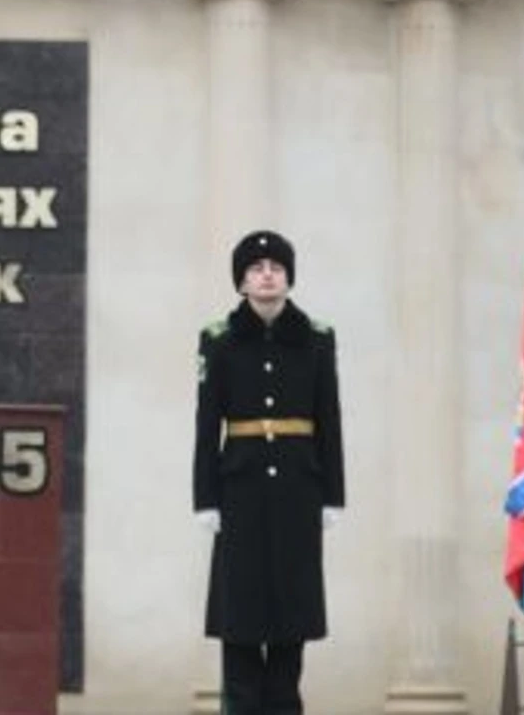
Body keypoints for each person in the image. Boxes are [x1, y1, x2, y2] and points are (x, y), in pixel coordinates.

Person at [193, 230, 344, 715]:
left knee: (288, 634)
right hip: (239, 496)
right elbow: (206, 425)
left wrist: (332, 494)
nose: (266, 276)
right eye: (256, 269)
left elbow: (329, 419)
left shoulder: (317, 340)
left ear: (288, 278)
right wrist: (206, 498)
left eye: (275, 268)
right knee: (239, 630)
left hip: (299, 494)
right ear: (241, 281)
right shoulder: (219, 341)